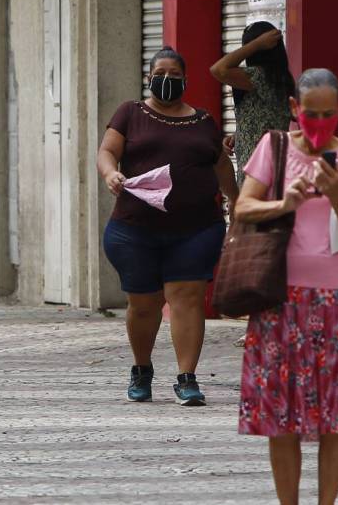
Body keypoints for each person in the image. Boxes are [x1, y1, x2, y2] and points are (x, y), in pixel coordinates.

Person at [233, 68, 338, 505]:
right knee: (281, 412)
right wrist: (285, 202)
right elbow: (243, 207)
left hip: (335, 300)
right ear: (295, 108)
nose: (319, 122)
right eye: (310, 113)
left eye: (328, 114)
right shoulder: (274, 148)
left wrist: (333, 194)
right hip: (278, 296)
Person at [98, 46, 240, 406]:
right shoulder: (131, 113)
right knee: (144, 304)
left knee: (187, 299)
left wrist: (238, 203)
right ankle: (142, 369)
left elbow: (221, 166)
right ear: (148, 77)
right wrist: (111, 173)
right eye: (160, 74)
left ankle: (186, 377)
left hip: (196, 229)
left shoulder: (203, 121)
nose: (167, 81)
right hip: (136, 228)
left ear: (186, 80)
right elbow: (107, 151)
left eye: (175, 76)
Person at [209, 21, 295, 182]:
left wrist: (255, 45)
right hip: (265, 168)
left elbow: (218, 70)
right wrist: (240, 134)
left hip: (259, 173)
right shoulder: (278, 78)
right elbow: (264, 117)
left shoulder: (260, 76)